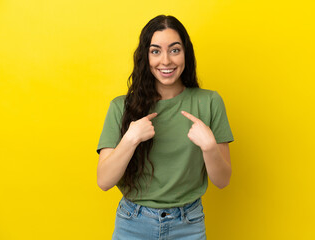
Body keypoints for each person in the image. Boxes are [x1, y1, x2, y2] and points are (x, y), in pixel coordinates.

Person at [96, 15, 234, 240]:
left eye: (175, 50)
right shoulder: (121, 107)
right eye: (156, 51)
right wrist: (130, 139)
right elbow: (104, 181)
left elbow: (222, 181)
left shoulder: (209, 102)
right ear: (145, 57)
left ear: (185, 54)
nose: (166, 61)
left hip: (188, 224)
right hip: (132, 223)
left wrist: (209, 147)